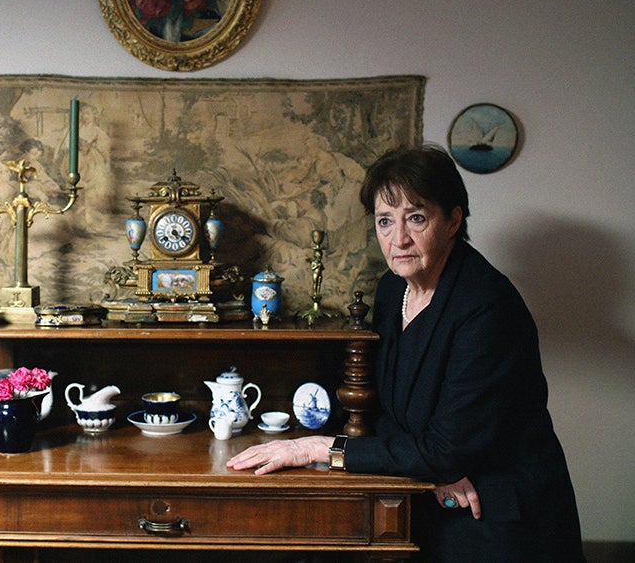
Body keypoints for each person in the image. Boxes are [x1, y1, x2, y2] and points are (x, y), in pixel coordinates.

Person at [227, 144, 585, 562]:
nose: (398, 239)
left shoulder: (487, 307)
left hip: (498, 511)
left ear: (453, 220)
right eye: (385, 221)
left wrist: (321, 448)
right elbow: (390, 410)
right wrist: (431, 469)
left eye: (416, 217)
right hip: (436, 491)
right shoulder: (393, 288)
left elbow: (448, 449)